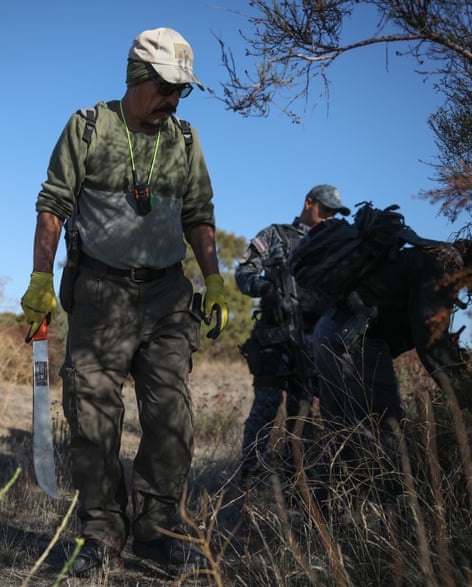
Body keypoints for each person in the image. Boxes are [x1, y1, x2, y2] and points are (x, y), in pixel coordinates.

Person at [20, 27, 229, 577]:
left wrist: (216, 280)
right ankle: (101, 537)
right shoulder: (88, 128)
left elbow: (199, 214)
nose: (172, 99)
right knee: (91, 415)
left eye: (181, 90)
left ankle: (157, 532)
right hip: (99, 293)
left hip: (166, 295)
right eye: (163, 86)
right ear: (137, 77)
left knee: (171, 418)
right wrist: (41, 279)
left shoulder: (185, 140)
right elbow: (52, 206)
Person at [310, 232, 472, 512]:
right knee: (383, 433)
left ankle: (319, 517)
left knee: (341, 432)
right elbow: (431, 343)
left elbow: (426, 332)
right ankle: (393, 525)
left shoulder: (439, 260)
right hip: (356, 344)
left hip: (334, 332)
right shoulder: (441, 267)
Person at [235, 185, 350, 485]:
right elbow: (244, 272)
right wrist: (265, 289)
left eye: (333, 215)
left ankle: (295, 480)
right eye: (323, 210)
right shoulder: (276, 235)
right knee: (266, 407)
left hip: (311, 342)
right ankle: (250, 476)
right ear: (308, 203)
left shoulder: (336, 247)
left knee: (302, 416)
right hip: (273, 338)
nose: (327, 218)